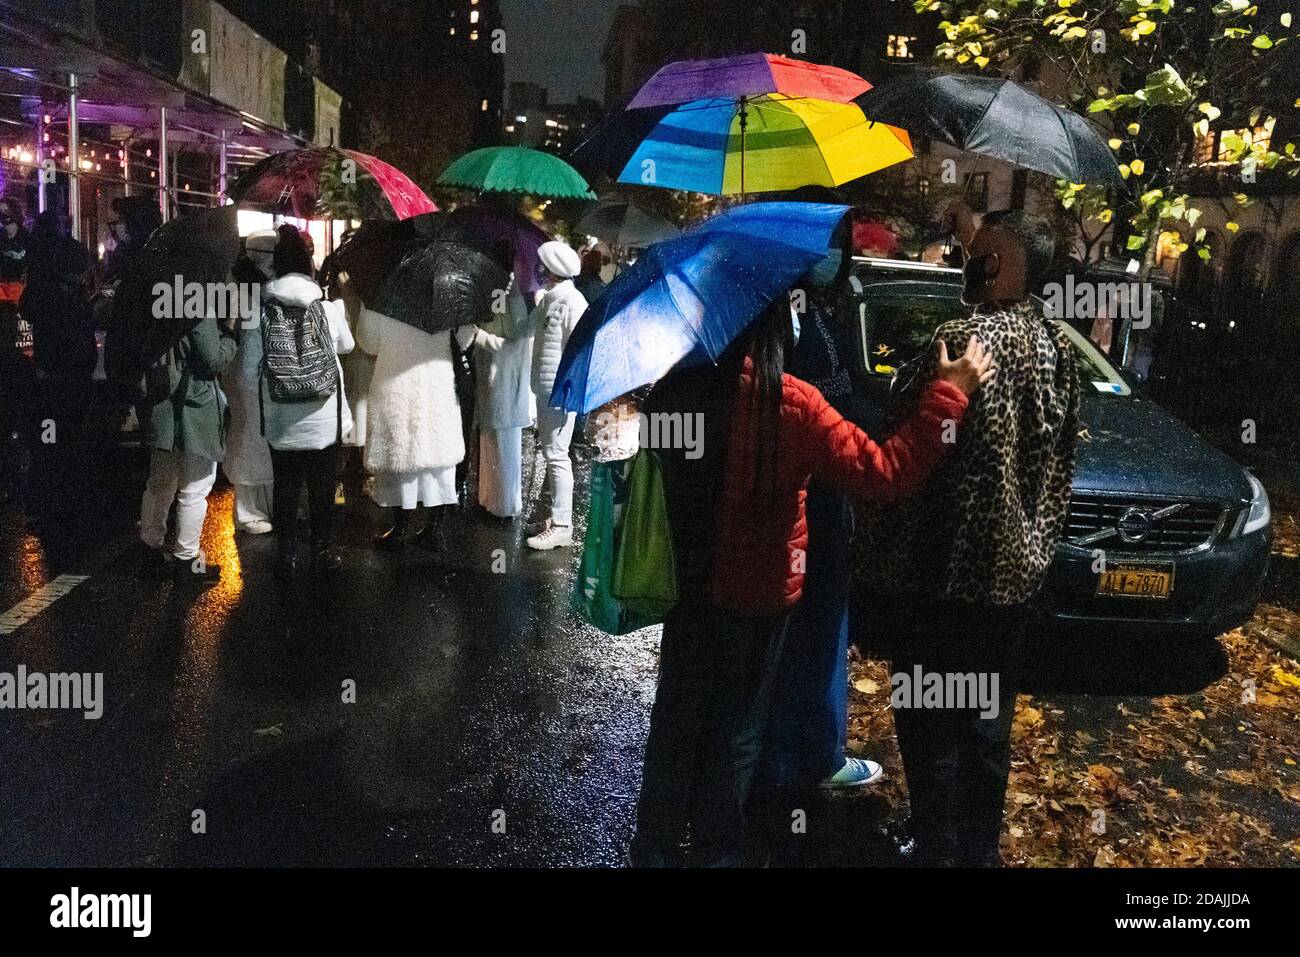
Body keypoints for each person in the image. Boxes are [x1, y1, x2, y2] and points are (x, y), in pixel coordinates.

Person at [629, 293, 992, 867]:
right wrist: (949, 396)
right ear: (778, 327)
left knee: (675, 726)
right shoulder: (792, 403)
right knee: (735, 736)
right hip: (758, 601)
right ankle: (718, 857)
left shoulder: (679, 391)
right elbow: (885, 470)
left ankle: (651, 854)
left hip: (686, 592)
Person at [853, 204, 1080, 866]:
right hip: (1013, 578)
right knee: (986, 723)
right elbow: (1062, 457)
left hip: (943, 569)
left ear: (1007, 263)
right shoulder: (1058, 347)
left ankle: (935, 841)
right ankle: (975, 849)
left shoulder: (962, 338)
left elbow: (905, 423)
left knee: (927, 718)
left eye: (977, 251)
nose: (963, 259)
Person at [756, 216, 883, 796]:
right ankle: (803, 758)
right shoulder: (778, 320)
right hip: (802, 501)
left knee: (820, 628)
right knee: (805, 630)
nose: (836, 254)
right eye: (827, 243)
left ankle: (803, 750)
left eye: (841, 243)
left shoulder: (826, 315)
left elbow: (852, 392)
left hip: (827, 501)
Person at [257, 225, 354, 578]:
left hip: (282, 416)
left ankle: (286, 552)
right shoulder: (326, 308)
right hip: (323, 415)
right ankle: (323, 548)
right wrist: (337, 308)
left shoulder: (262, 309)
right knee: (322, 486)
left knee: (285, 485)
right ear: (309, 266)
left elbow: (254, 360)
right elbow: (347, 347)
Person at [137, 248, 238, 586]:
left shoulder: (155, 298)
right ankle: (186, 559)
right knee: (195, 486)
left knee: (160, 481)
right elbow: (212, 360)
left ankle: (149, 548)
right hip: (193, 407)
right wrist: (229, 333)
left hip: (161, 403)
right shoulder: (197, 305)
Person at [357, 299, 477, 550]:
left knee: (401, 460)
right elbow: (465, 339)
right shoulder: (447, 294)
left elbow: (368, 343)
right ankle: (434, 529)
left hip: (395, 386)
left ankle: (400, 528)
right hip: (436, 388)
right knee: (438, 462)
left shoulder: (382, 296)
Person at [519, 240, 587, 550]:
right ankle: (552, 517)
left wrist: (570, 388)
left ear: (554, 270)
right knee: (552, 454)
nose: (540, 271)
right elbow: (527, 329)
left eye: (544, 267)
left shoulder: (573, 301)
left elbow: (579, 349)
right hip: (545, 388)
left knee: (558, 456)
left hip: (559, 391)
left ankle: (562, 525)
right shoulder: (551, 300)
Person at [222, 231, 276, 534]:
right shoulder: (240, 283)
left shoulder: (259, 283)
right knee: (248, 437)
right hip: (245, 372)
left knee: (260, 438)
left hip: (258, 370)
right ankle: (246, 510)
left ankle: (263, 504)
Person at [468, 273, 533, 520]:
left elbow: (514, 343)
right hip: (493, 382)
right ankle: (489, 501)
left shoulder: (511, 295)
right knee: (491, 443)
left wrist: (479, 336)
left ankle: (504, 506)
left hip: (504, 383)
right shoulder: (497, 292)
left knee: (503, 447)